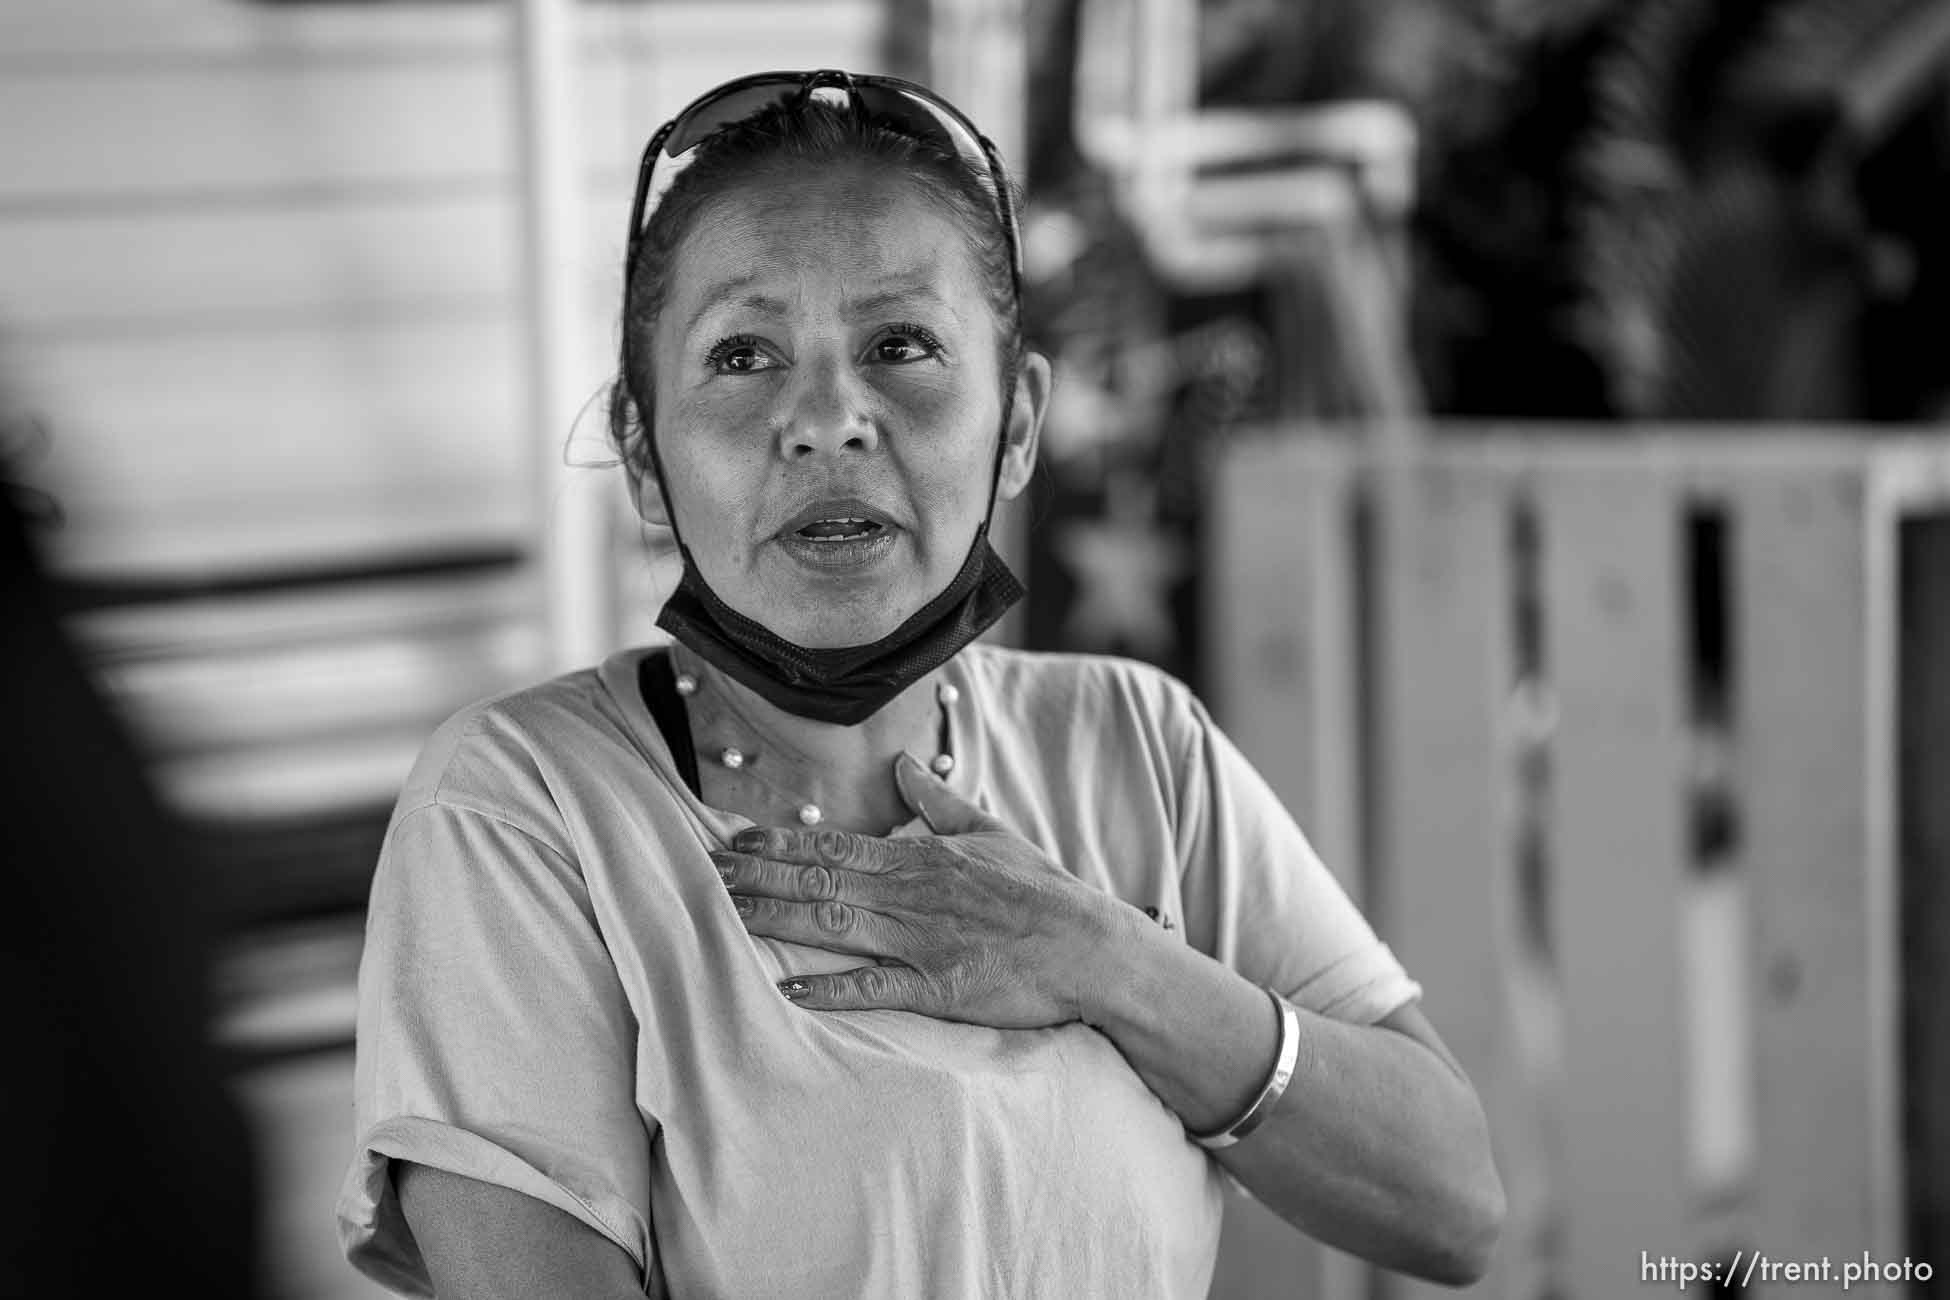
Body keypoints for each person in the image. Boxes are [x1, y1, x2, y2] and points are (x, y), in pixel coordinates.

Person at [336, 69, 1504, 1298]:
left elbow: (1452, 1199)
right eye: (743, 354)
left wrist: (1105, 960)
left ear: (1017, 425)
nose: (829, 419)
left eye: (902, 345)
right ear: (642, 451)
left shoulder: (1137, 743)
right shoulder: (525, 812)